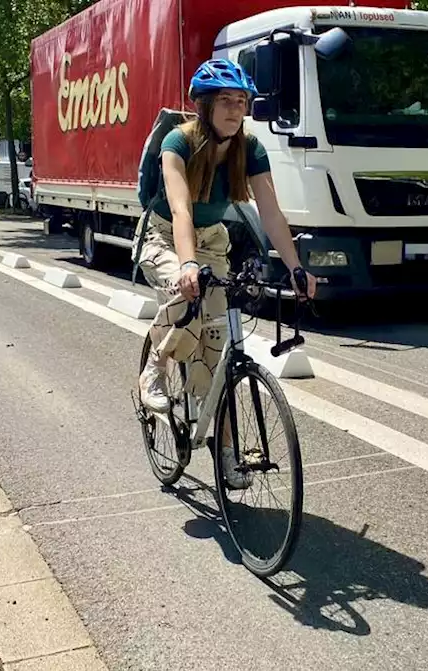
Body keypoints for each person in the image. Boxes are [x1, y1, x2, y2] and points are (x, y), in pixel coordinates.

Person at [136, 58, 316, 486]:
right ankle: (155, 368)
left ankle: (228, 452)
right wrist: (186, 264)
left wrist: (294, 267)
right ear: (203, 105)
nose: (235, 110)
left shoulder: (249, 148)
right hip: (164, 236)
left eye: (241, 101)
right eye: (225, 101)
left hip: (214, 240)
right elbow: (180, 210)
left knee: (217, 348)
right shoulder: (178, 143)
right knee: (187, 298)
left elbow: (270, 212)